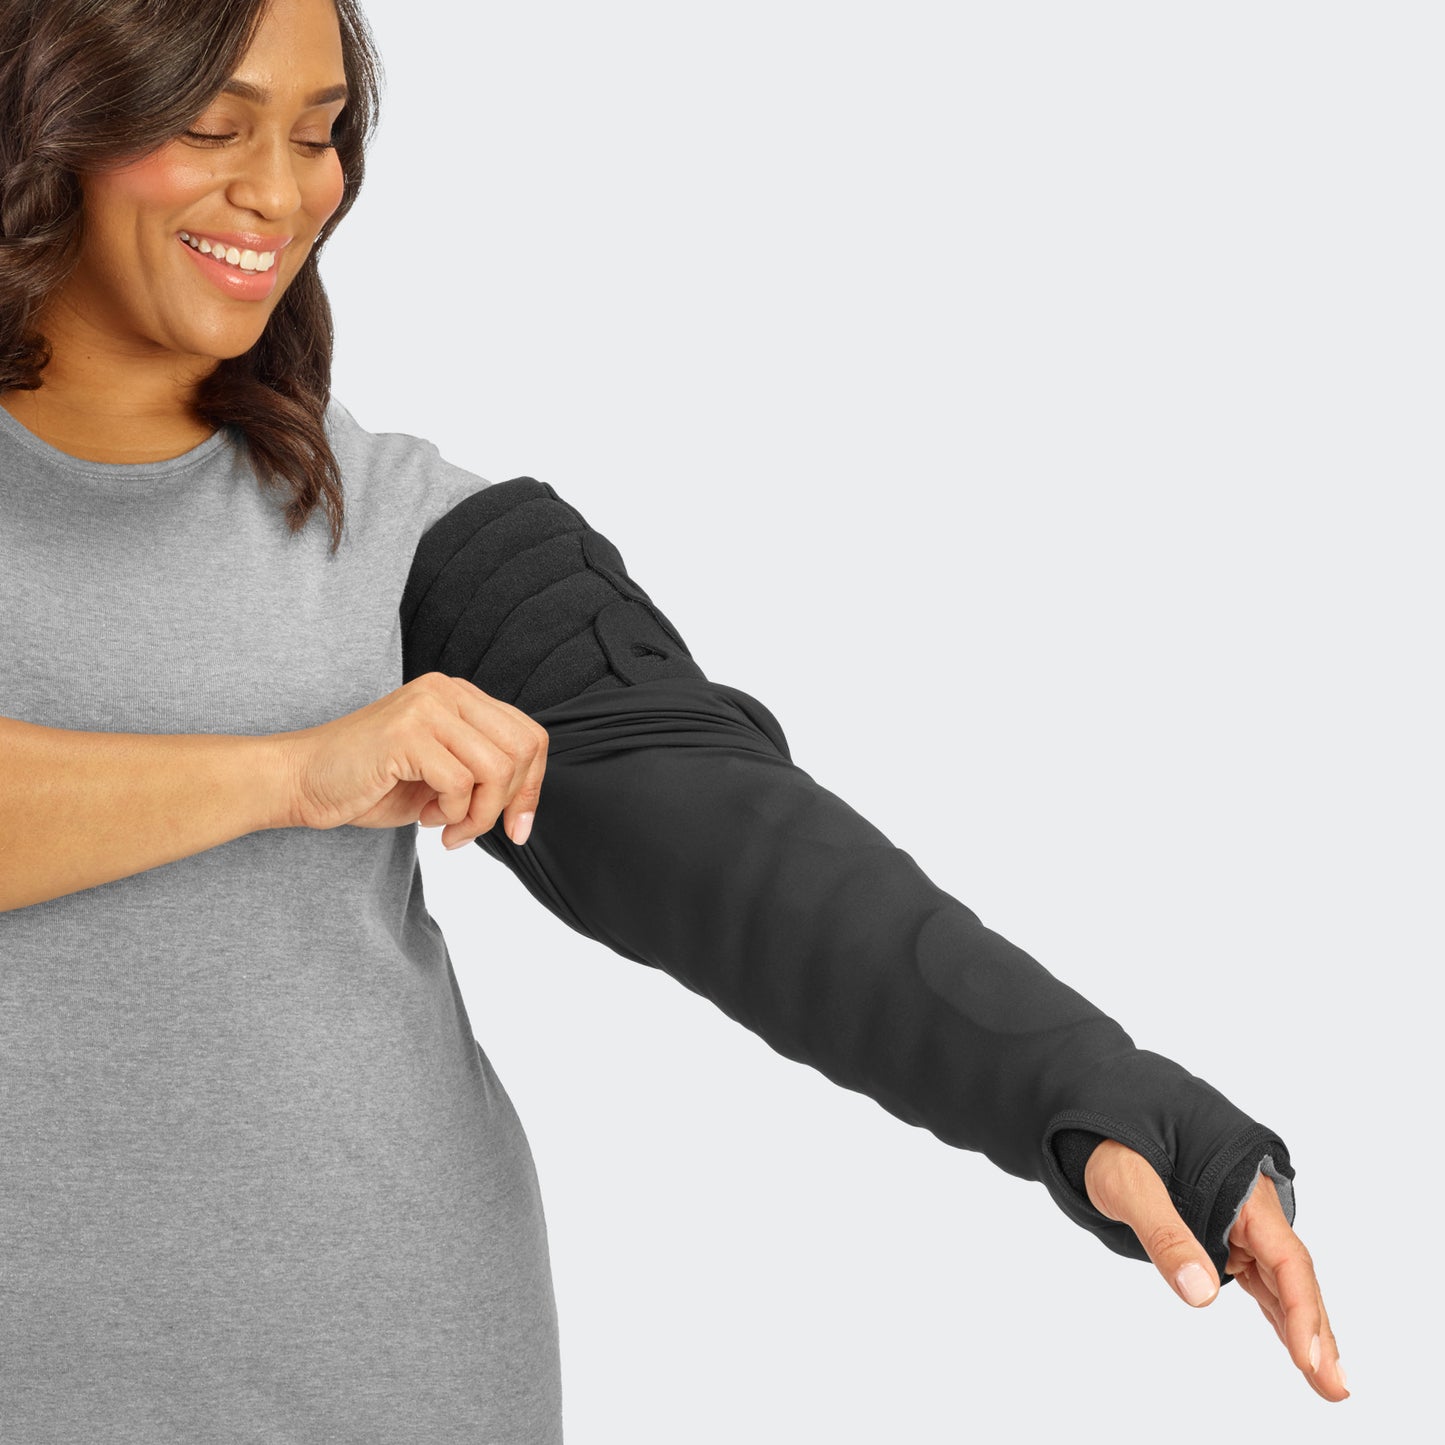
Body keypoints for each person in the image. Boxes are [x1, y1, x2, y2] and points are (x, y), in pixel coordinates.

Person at [0, 0, 1347, 1438]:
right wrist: (289, 775)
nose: (280, 192)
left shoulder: (403, 527)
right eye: (214, 126)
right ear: (53, 114)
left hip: (382, 1372)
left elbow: (731, 846)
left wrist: (1086, 1089)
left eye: (321, 134)